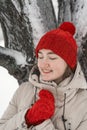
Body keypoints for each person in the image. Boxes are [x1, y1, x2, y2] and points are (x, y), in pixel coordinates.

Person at [0, 21, 87, 130]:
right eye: (40, 57)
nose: (43, 63)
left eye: (52, 58)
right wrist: (27, 117)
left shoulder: (84, 103)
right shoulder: (24, 90)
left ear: (69, 63)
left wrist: (41, 123)